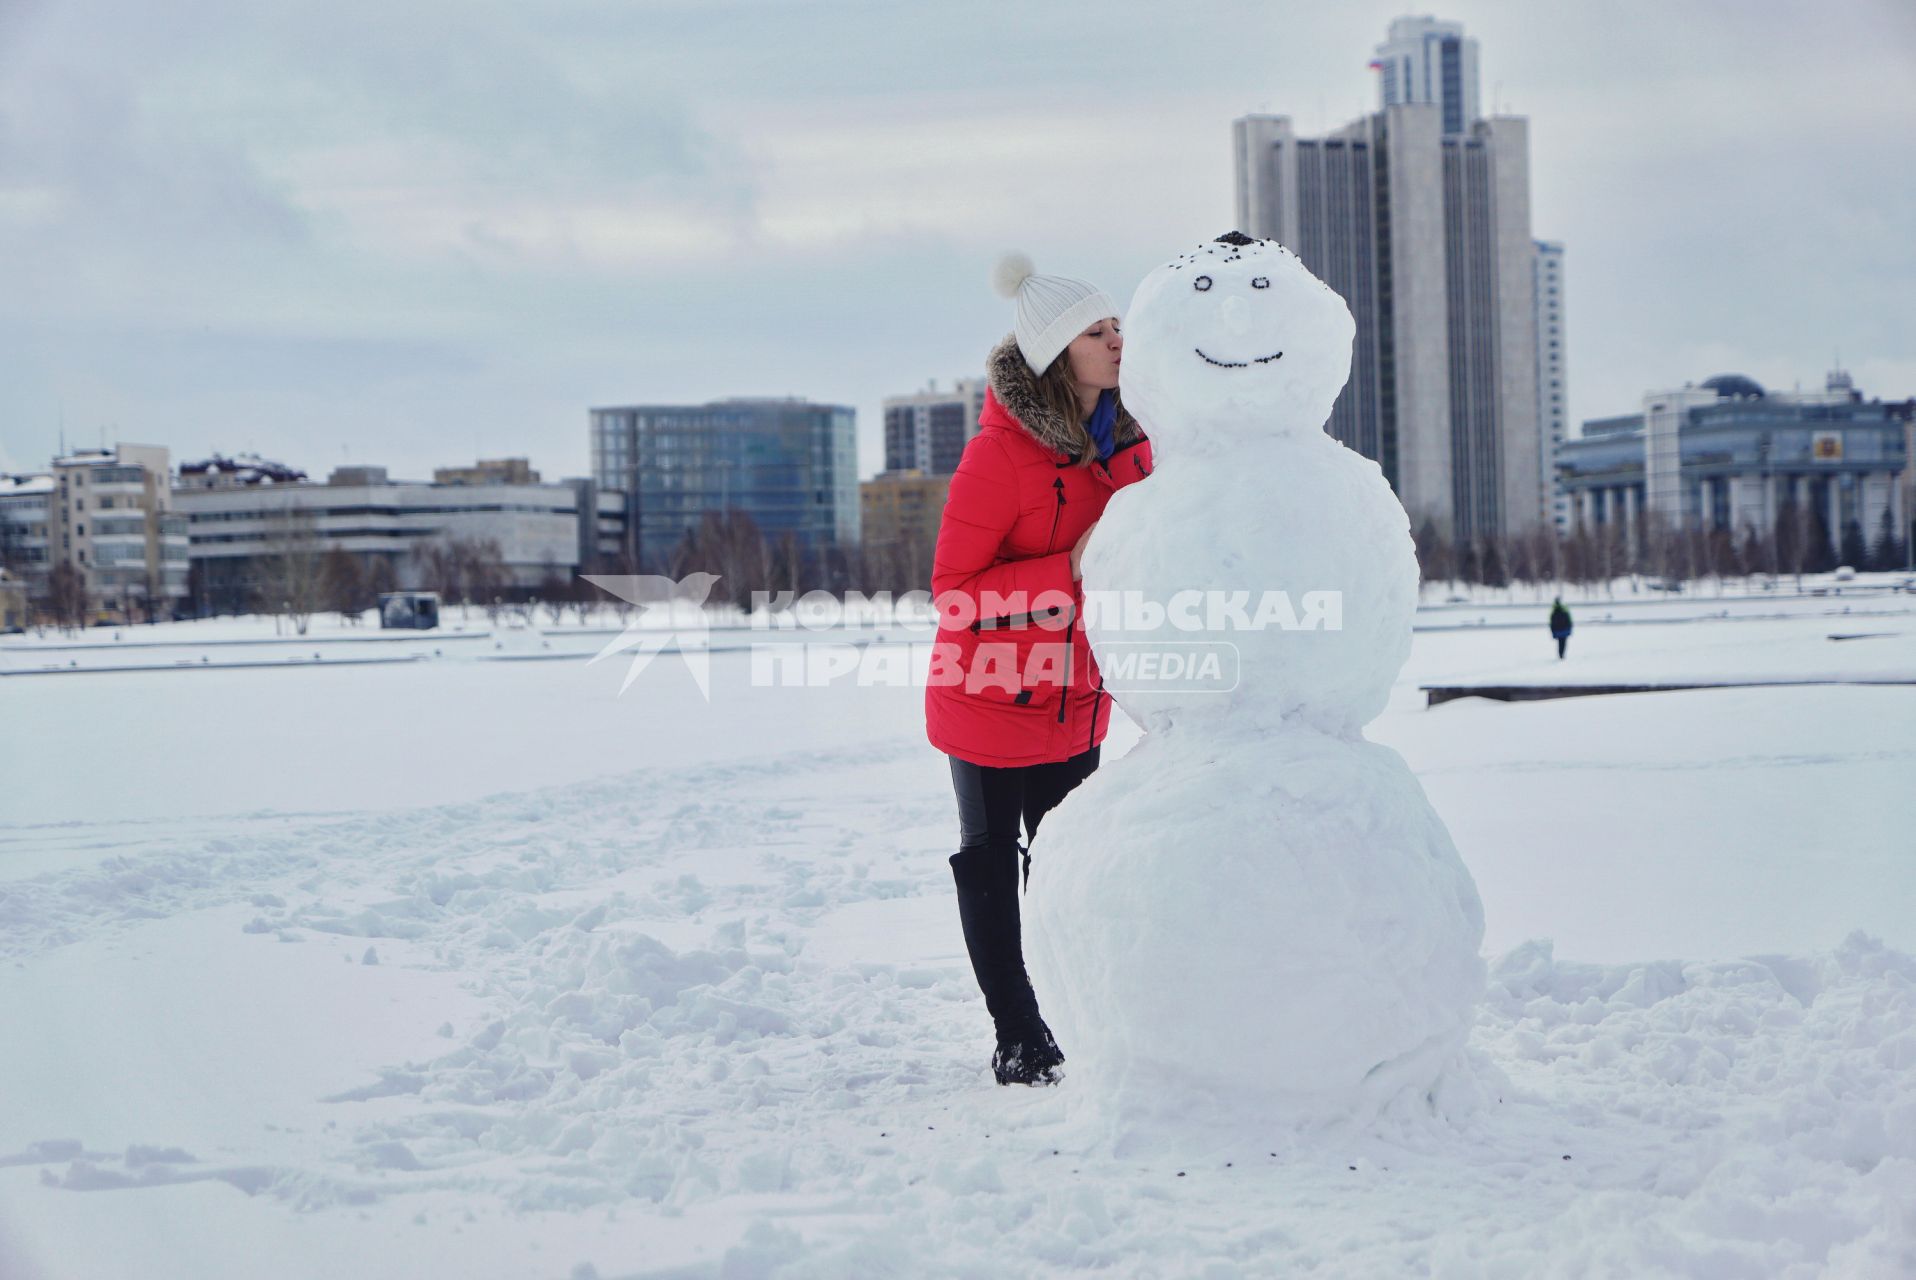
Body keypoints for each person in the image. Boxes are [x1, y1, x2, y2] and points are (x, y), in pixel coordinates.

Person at [925, 254, 1154, 1086]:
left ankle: (1076, 1011)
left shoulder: (1133, 448)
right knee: (992, 855)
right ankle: (1017, 1029)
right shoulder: (998, 458)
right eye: (1098, 333)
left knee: (1064, 861)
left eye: (1119, 325)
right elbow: (953, 592)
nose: (1119, 341)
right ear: (1059, 355)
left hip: (1076, 697)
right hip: (987, 693)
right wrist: (1070, 568)